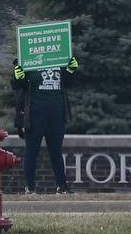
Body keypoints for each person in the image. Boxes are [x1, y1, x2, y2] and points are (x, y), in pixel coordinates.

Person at [11, 55, 81, 195]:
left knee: (56, 151)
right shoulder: (28, 60)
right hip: (34, 114)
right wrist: (18, 76)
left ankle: (62, 186)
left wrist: (71, 70)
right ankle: (30, 188)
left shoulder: (60, 59)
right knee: (32, 150)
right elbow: (17, 86)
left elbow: (70, 83)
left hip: (57, 114)